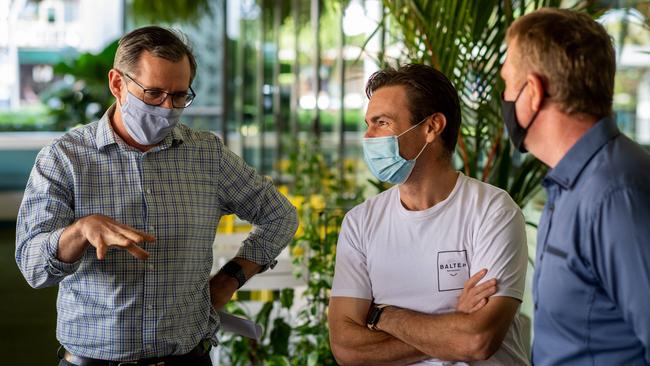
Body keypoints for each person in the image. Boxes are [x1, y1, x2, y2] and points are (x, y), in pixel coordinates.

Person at [15, 26, 298, 365]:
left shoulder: (207, 155)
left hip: (188, 357)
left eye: (179, 96)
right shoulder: (65, 159)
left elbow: (279, 215)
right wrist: (78, 232)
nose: (167, 107)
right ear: (118, 84)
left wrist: (231, 278)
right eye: (153, 93)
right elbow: (33, 267)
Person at [328, 64, 530, 365]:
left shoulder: (493, 211)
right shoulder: (360, 223)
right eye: (368, 124)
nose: (368, 136)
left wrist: (382, 315)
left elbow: (476, 340)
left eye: (382, 123)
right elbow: (346, 348)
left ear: (431, 127)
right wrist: (453, 322)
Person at [500, 8, 650, 365]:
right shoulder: (574, 181)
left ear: (533, 92)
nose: (504, 97)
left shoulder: (615, 195)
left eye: (507, 83)